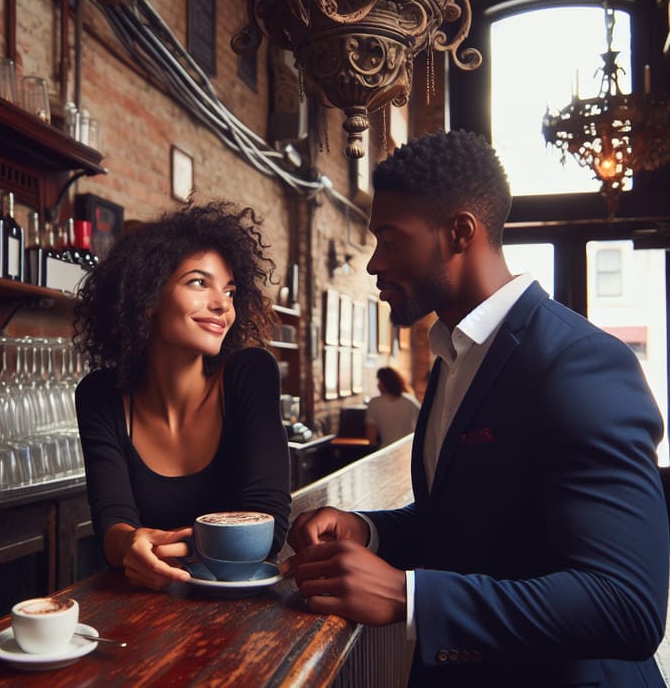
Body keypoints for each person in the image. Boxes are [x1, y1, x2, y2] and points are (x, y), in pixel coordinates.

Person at [281, 130, 669, 687]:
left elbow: (625, 605)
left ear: (460, 232)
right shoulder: (454, 354)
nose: (373, 265)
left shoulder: (581, 364)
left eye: (390, 241)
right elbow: (471, 528)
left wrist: (404, 594)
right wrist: (367, 531)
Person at [74, 201, 291, 591]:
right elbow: (112, 523)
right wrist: (130, 544)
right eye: (198, 282)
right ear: (147, 300)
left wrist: (150, 544)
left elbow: (268, 526)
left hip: (243, 607)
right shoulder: (100, 396)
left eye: (229, 290)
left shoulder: (249, 374)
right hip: (143, 609)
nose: (222, 304)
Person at [365, 366, 421, 446]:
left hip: (386, 450)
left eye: (379, 381)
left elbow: (371, 436)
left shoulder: (374, 403)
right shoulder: (409, 400)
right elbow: (423, 426)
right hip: (408, 449)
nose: (378, 385)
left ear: (384, 383)